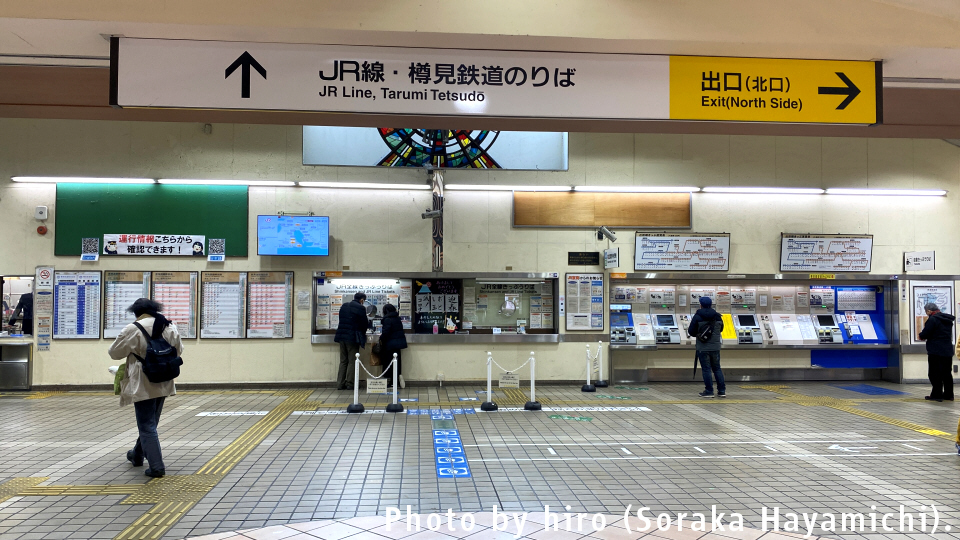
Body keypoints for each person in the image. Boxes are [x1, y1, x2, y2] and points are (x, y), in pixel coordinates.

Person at [108, 298, 183, 478]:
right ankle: (138, 454)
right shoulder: (168, 326)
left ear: (136, 312)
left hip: (143, 381)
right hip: (164, 378)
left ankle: (157, 466)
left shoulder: (132, 329)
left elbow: (114, 353)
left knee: (147, 425)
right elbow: (179, 350)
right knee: (151, 422)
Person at [688, 296, 725, 398]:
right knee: (717, 368)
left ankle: (709, 391)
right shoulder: (717, 316)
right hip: (716, 347)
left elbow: (691, 332)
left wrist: (700, 333)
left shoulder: (698, 316)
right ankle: (722, 391)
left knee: (706, 369)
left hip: (703, 347)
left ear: (701, 305)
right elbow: (721, 329)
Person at [334, 292, 373, 390]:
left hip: (341, 336)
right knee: (352, 361)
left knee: (343, 361)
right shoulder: (360, 308)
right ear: (362, 300)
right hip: (352, 338)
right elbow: (364, 324)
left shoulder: (344, 306)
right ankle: (350, 384)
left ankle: (340, 384)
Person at [918, 302, 954, 402]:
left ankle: (937, 394)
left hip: (936, 351)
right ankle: (949, 395)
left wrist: (921, 335)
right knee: (946, 373)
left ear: (929, 311)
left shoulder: (932, 319)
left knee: (934, 373)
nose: (926, 313)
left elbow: (925, 333)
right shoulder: (947, 320)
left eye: (926, 312)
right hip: (947, 350)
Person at [379, 304, 408, 388]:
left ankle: (392, 382)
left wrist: (381, 339)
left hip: (390, 345)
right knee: (396, 363)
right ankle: (395, 380)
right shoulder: (397, 318)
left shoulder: (387, 319)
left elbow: (386, 332)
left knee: (389, 363)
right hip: (397, 344)